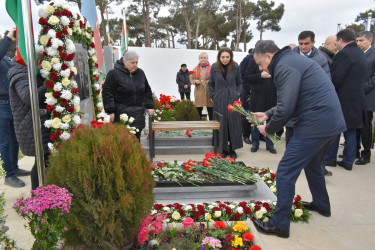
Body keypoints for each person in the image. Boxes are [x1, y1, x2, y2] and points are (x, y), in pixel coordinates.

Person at [251, 40, 346, 238]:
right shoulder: (290, 60)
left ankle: (279, 225)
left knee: (285, 172)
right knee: (312, 165)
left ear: (269, 56)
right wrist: (268, 113)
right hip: (329, 122)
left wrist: (268, 129)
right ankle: (322, 204)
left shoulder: (284, 66)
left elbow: (287, 107)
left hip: (316, 123)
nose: (261, 68)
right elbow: (295, 98)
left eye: (260, 63)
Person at [324, 28, 367, 171]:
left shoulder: (344, 55)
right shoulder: (361, 54)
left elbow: (336, 78)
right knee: (351, 131)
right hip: (357, 99)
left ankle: (330, 158)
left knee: (336, 129)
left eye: (337, 42)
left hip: (342, 100)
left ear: (341, 40)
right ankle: (349, 161)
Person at [8, 50, 51, 190]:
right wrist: (49, 83)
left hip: (36, 122)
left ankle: (42, 197)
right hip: (30, 125)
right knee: (41, 162)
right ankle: (37, 198)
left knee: (45, 159)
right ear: (38, 62)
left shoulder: (28, 72)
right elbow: (29, 97)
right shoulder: (20, 74)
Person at [293, 30, 332, 176]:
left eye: (306, 44)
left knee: (316, 143)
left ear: (313, 43)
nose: (303, 47)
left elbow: (326, 82)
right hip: (296, 105)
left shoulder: (321, 59)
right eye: (301, 44)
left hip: (314, 106)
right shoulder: (293, 56)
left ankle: (318, 166)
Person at [0, 27, 31, 188]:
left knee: (14, 138)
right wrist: (8, 39)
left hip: (10, 103)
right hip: (1, 105)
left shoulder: (5, 58)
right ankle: (8, 174)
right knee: (4, 141)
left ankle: (14, 168)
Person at [103, 50, 154, 140]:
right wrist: (110, 111)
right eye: (132, 62)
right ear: (124, 61)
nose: (135, 65)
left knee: (136, 138)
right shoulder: (114, 74)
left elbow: (147, 91)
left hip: (138, 113)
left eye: (136, 62)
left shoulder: (140, 73)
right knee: (122, 140)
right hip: (121, 113)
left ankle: (137, 154)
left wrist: (150, 106)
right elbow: (107, 92)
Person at [208, 47, 243, 159]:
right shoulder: (214, 67)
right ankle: (222, 148)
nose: (225, 59)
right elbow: (211, 83)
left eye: (227, 57)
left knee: (233, 124)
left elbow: (240, 82)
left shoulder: (235, 66)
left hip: (232, 100)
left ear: (230, 57)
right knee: (221, 124)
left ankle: (232, 149)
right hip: (219, 100)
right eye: (223, 57)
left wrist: (237, 93)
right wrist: (212, 95)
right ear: (219, 57)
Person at [245, 53, 277, 154]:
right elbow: (247, 77)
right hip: (257, 97)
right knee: (255, 120)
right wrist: (260, 75)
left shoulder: (274, 60)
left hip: (272, 96)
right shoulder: (253, 61)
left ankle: (270, 144)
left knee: (271, 120)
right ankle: (255, 143)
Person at [354, 31, 375, 165]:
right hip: (355, 97)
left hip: (368, 97)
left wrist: (363, 89)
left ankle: (366, 154)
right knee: (355, 125)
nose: (358, 43)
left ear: (370, 40)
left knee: (365, 127)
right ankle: (354, 150)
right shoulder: (358, 54)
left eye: (361, 40)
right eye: (357, 41)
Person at [189, 52, 213, 120]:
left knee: (211, 109)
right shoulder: (195, 68)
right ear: (199, 59)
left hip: (209, 91)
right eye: (201, 58)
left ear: (207, 59)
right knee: (198, 109)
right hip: (199, 91)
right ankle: (197, 126)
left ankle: (212, 126)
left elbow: (216, 78)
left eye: (204, 58)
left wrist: (210, 80)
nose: (203, 59)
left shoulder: (212, 68)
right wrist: (195, 81)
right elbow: (191, 78)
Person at [239, 49, 253, 145]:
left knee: (257, 113)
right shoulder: (248, 59)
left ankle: (258, 134)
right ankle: (246, 135)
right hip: (246, 91)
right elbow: (241, 76)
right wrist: (249, 88)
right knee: (246, 113)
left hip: (258, 92)